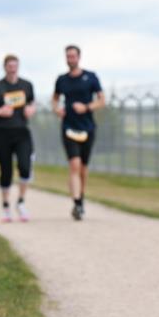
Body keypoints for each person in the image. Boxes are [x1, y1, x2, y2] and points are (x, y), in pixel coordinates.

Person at [0, 54, 36, 222]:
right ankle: (5, 207)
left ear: (18, 66)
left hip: (22, 132)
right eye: (10, 66)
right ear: (5, 67)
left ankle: (21, 202)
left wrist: (31, 109)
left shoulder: (26, 85)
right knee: (6, 171)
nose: (12, 68)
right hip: (3, 133)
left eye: (15, 65)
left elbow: (32, 102)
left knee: (25, 167)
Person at [52, 44, 104, 220]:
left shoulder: (90, 77)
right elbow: (55, 98)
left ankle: (80, 198)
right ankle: (77, 203)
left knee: (83, 168)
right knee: (74, 165)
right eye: (68, 56)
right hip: (68, 127)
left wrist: (87, 107)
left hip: (87, 127)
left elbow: (102, 100)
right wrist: (57, 109)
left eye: (73, 56)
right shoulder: (62, 80)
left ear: (79, 57)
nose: (70, 59)